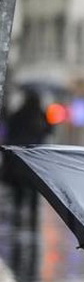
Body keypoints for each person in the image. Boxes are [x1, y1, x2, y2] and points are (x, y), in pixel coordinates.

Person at [3, 90, 52, 230]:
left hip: (18, 157)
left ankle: (18, 216)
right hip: (34, 159)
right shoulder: (40, 116)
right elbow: (48, 131)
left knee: (18, 190)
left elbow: (9, 132)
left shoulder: (18, 114)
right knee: (33, 189)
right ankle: (32, 217)